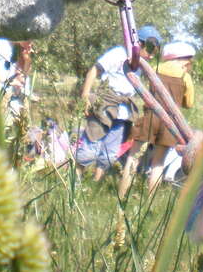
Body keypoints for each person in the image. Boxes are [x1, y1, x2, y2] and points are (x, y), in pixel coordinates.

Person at [75, 25, 161, 181]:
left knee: (110, 151)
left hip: (123, 112)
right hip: (105, 105)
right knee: (91, 143)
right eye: (150, 49)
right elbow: (94, 70)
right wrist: (86, 95)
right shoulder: (118, 53)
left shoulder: (141, 64)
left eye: (155, 51)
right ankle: (75, 178)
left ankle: (95, 181)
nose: (151, 55)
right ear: (138, 44)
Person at [119, 39, 195, 197]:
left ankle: (121, 195)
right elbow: (189, 103)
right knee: (158, 163)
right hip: (170, 125)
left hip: (149, 118)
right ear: (183, 59)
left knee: (133, 159)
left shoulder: (155, 68)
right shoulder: (185, 76)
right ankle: (149, 202)